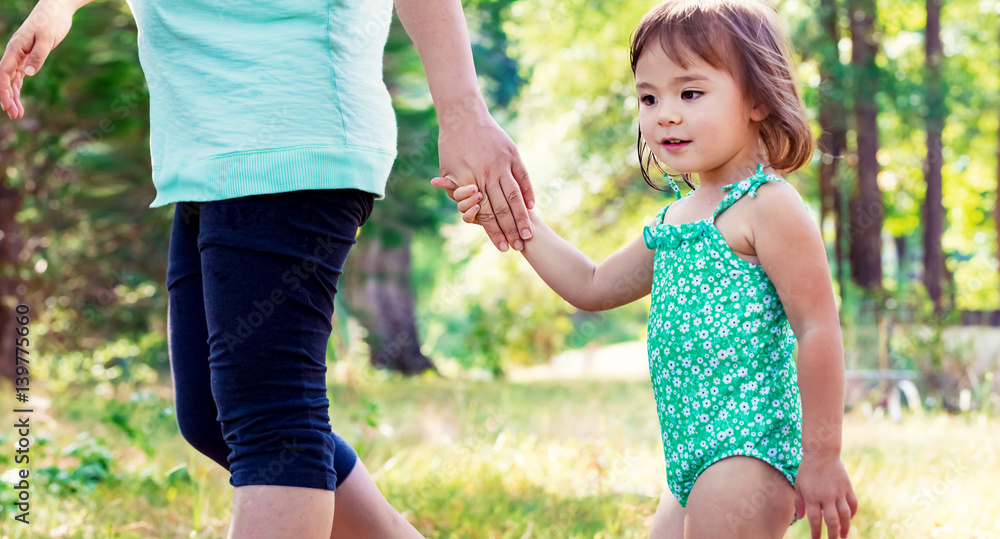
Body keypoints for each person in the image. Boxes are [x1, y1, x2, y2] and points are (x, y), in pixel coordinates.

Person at [1, 0, 536, 537]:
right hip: (206, 140)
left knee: (272, 420)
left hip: (289, 125)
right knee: (211, 415)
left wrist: (463, 111)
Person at [433, 0, 858, 537]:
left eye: (690, 93)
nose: (666, 114)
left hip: (747, 446)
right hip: (686, 460)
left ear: (756, 98)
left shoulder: (767, 206)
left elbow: (817, 328)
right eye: (649, 97)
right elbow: (591, 285)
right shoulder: (677, 218)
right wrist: (516, 218)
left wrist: (822, 457)